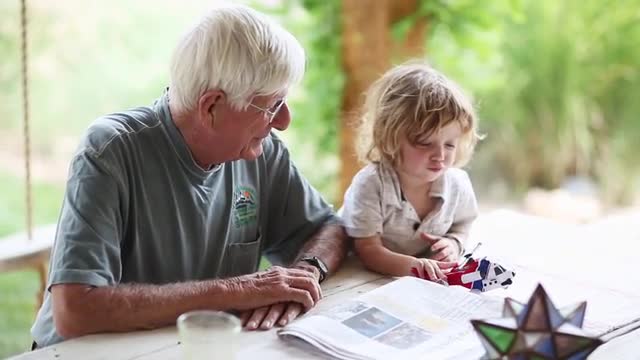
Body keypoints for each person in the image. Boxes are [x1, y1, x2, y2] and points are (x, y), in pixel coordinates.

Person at [31, 4, 348, 348]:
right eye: (271, 105)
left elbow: (328, 228)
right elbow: (75, 310)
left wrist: (305, 273)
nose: (284, 120)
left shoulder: (262, 152)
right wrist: (237, 291)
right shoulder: (111, 150)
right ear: (211, 106)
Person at [341, 62, 481, 282]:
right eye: (425, 143)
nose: (440, 155)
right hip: (361, 279)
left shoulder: (457, 184)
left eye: (450, 145)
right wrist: (417, 267)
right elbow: (368, 250)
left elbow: (462, 225)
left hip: (418, 283)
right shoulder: (370, 185)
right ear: (391, 137)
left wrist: (453, 243)